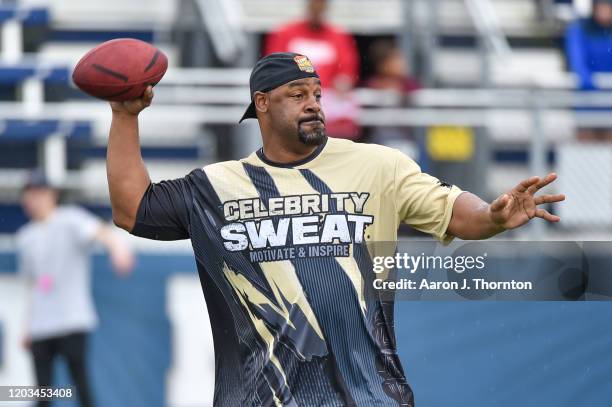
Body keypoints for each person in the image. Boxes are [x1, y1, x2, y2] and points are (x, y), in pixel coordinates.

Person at [106, 53, 565, 406]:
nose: (313, 105)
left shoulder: (375, 165)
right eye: (297, 94)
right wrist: (125, 117)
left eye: (317, 94)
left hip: (368, 397)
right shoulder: (217, 186)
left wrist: (494, 216)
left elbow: (453, 211)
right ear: (261, 104)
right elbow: (133, 210)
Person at [16, 171, 134, 407]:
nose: (34, 199)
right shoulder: (24, 238)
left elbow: (101, 232)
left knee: (80, 385)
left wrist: (119, 249)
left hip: (71, 319)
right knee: (43, 392)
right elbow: (33, 285)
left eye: (39, 193)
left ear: (52, 195)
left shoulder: (70, 219)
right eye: (29, 195)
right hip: (41, 325)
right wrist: (27, 326)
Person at [264, 0, 360, 139]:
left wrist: (343, 82)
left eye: (321, 4)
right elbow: (273, 67)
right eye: (314, 3)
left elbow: (347, 70)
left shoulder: (338, 36)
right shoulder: (286, 33)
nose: (317, 8)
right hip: (293, 95)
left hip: (327, 98)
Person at [565, 0, 612, 141]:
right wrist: (591, 83)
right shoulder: (579, 29)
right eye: (601, 7)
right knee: (586, 150)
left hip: (610, 104)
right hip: (587, 102)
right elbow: (578, 62)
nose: (604, 12)